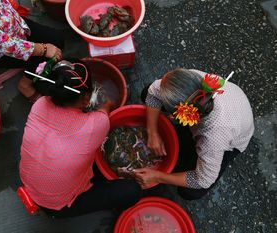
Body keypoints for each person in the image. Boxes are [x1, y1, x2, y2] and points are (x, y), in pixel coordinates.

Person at [19, 58, 142, 218]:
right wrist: (109, 103)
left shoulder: (40, 104)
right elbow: (105, 109)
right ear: (86, 98)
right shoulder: (95, 125)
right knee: (132, 191)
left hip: (28, 178)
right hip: (56, 204)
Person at [136, 68, 254, 200]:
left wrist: (158, 177)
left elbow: (204, 180)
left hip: (234, 137)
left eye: (171, 115)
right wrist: (152, 133)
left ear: (183, 115)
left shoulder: (213, 136)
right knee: (145, 93)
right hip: (229, 105)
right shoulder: (191, 81)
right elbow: (153, 92)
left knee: (190, 192)